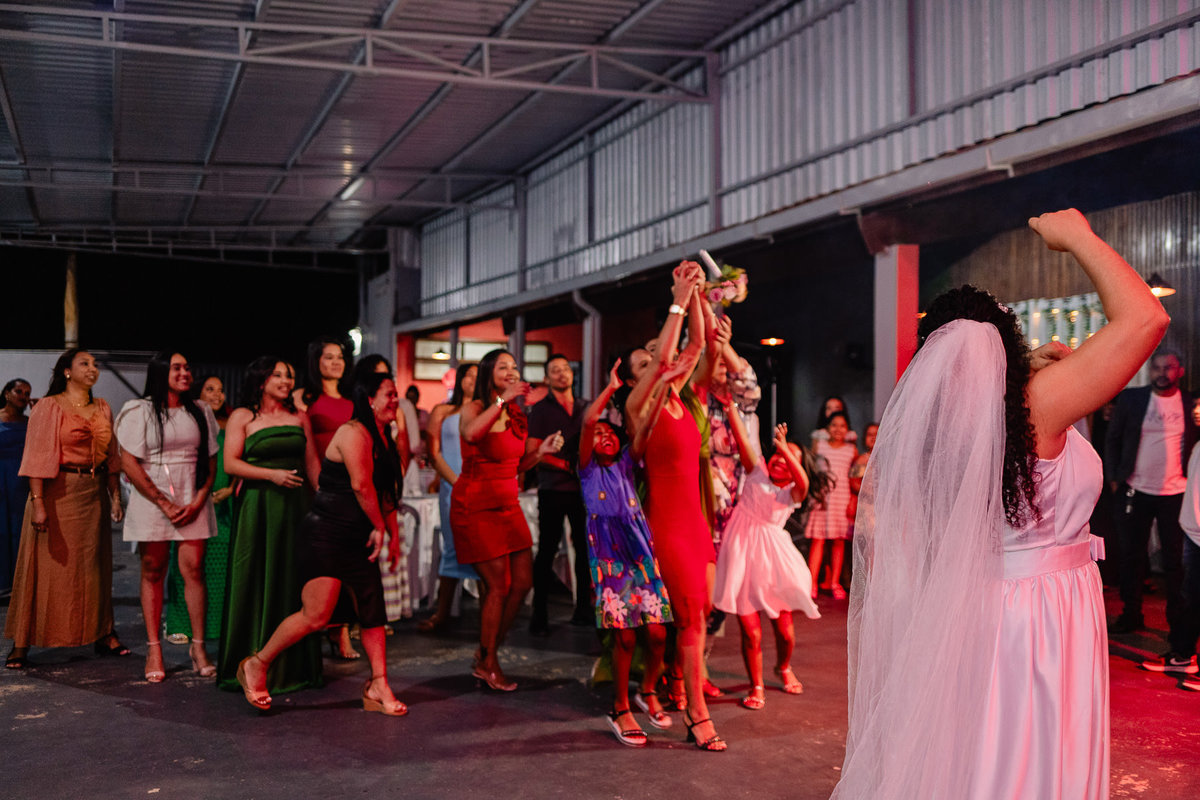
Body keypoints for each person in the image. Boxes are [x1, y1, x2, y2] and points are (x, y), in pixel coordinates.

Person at [833, 209, 1169, 799]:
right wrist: (1079, 240)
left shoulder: (951, 426)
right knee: (1031, 759)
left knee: (990, 754)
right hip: (1038, 617)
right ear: (1007, 343)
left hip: (981, 609)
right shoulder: (1037, 408)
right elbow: (1146, 318)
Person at [236, 373, 406, 715]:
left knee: (373, 611)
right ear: (369, 399)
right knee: (316, 616)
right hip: (326, 534)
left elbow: (386, 493)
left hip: (359, 537)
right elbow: (361, 486)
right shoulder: (353, 432)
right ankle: (257, 663)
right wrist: (378, 527)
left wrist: (392, 535)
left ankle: (379, 684)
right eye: (389, 395)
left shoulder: (384, 437)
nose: (395, 401)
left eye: (396, 395)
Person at [624, 261, 727, 751]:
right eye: (642, 363)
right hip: (666, 524)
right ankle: (698, 715)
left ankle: (679, 691)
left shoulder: (686, 402)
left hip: (697, 523)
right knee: (687, 618)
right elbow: (668, 354)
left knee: (699, 618)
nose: (656, 364)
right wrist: (678, 299)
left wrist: (701, 297)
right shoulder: (638, 408)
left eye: (653, 360)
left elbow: (697, 347)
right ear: (632, 376)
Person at [4, 349, 129, 669]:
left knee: (93, 570)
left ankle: (104, 633)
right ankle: (22, 641)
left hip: (92, 494)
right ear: (67, 372)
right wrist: (40, 503)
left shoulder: (102, 408)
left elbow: (111, 457)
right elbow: (36, 457)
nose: (93, 369)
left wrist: (115, 497)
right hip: (57, 493)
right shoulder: (49, 407)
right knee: (44, 568)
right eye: (84, 364)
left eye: (95, 364)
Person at [451, 348, 562, 691]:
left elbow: (516, 465)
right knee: (497, 585)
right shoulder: (476, 407)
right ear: (489, 374)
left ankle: (487, 651)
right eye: (504, 367)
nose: (512, 372)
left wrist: (540, 452)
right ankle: (489, 661)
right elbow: (471, 435)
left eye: (515, 367)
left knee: (523, 582)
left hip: (508, 503)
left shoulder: (517, 413)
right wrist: (501, 400)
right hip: (477, 505)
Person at [579, 358, 677, 746]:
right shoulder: (588, 469)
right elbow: (588, 422)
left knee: (656, 632)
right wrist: (610, 387)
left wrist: (664, 389)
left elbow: (645, 428)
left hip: (640, 553)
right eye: (598, 432)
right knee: (624, 637)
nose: (604, 435)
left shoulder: (625, 462)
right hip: (609, 557)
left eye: (610, 432)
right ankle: (620, 706)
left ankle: (648, 688)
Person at [215, 357, 323, 697]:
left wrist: (327, 509)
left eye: (289, 376)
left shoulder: (299, 417)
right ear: (260, 380)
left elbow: (313, 467)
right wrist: (271, 475)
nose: (286, 381)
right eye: (278, 375)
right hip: (257, 508)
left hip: (296, 510)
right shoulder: (244, 417)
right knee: (255, 578)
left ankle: (290, 666)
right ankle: (247, 662)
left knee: (291, 581)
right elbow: (231, 463)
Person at [116, 352, 220, 682]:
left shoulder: (200, 410)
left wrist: (199, 499)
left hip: (192, 496)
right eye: (177, 368)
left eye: (188, 367)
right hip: (153, 498)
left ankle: (198, 647)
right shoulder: (140, 410)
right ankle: (154, 648)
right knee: (153, 569)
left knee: (193, 570)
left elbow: (211, 462)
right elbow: (129, 462)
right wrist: (164, 502)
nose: (185, 373)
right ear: (161, 373)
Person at [713, 421, 826, 710]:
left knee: (785, 632)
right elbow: (742, 437)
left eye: (788, 456)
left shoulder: (792, 492)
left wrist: (784, 447)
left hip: (773, 560)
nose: (780, 458)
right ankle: (756, 685)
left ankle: (783, 666)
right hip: (741, 554)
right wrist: (730, 408)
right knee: (752, 632)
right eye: (777, 453)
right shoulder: (756, 473)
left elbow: (803, 481)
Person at [1105, 349, 1197, 656]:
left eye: (1168, 367)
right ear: (1149, 369)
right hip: (1135, 488)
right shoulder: (1131, 400)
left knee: (1175, 563)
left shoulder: (1190, 403)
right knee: (1132, 556)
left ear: (1179, 370)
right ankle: (1131, 615)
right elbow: (1112, 437)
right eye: (1156, 367)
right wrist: (1115, 477)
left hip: (1176, 492)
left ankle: (1177, 624)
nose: (1162, 372)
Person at [294, 336, 360, 661]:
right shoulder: (305, 398)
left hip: (351, 488)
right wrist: (319, 488)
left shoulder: (352, 398)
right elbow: (304, 447)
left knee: (347, 561)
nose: (335, 362)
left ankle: (342, 629)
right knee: (319, 561)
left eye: (340, 357)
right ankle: (312, 627)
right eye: (328, 357)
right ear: (316, 362)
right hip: (317, 488)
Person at [164, 375, 234, 645]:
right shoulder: (187, 423)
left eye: (221, 390)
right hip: (191, 501)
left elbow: (241, 458)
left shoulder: (230, 425)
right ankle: (179, 622)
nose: (217, 395)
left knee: (220, 565)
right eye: (210, 389)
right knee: (187, 563)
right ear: (197, 393)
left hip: (224, 504)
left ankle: (215, 624)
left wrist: (230, 489)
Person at [528, 353, 592, 634]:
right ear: (547, 378)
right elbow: (533, 453)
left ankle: (584, 610)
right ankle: (539, 614)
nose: (562, 374)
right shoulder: (540, 410)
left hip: (582, 489)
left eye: (565, 369)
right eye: (555, 370)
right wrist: (566, 465)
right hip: (552, 488)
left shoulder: (585, 406)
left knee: (584, 550)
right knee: (547, 551)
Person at [419, 361, 479, 633]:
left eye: (479, 376)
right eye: (469, 375)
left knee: (484, 550)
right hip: (452, 485)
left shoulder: (486, 410)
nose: (473, 380)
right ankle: (442, 613)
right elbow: (433, 451)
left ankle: (488, 615)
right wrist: (456, 482)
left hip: (480, 487)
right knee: (452, 546)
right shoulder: (443, 410)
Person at [805, 411, 856, 599]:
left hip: (841, 498)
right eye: (834, 425)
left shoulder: (851, 450)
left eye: (842, 426)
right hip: (822, 499)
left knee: (838, 541)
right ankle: (811, 583)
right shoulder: (820, 446)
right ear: (827, 428)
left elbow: (853, 475)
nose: (838, 429)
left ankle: (835, 582)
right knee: (817, 539)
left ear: (848, 429)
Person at [0, 378, 32, 596]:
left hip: (21, 481)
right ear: (7, 394)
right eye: (19, 391)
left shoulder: (30, 421)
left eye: (27, 393)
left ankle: (18, 582)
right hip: (1, 479)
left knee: (19, 530)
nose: (23, 396)